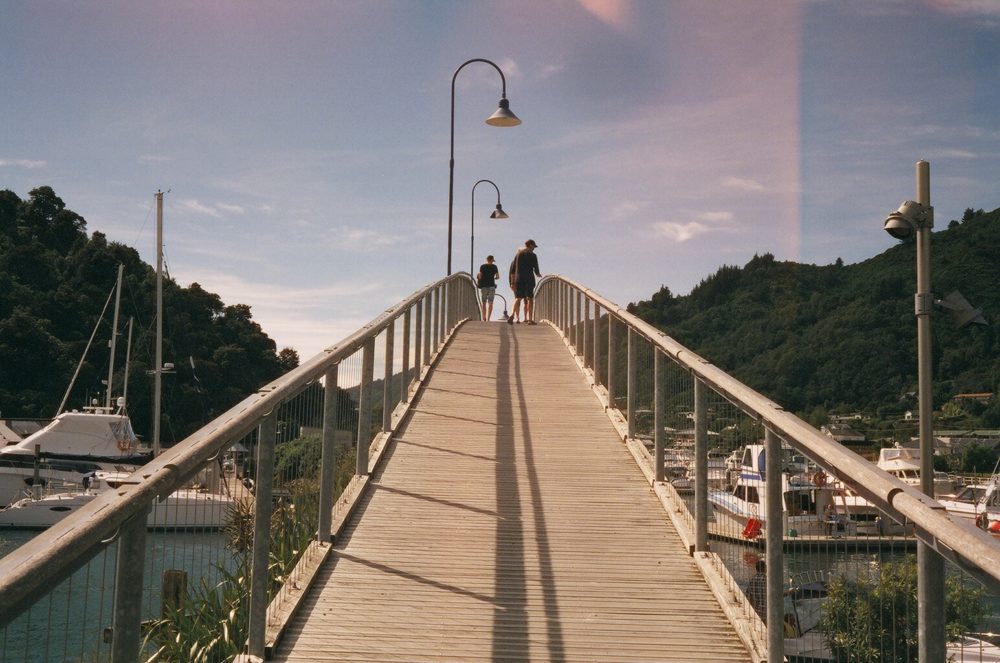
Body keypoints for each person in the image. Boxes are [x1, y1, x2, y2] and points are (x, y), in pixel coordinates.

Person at [508, 239, 542, 325]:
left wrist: (512, 282)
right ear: (530, 245)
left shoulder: (518, 255)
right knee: (530, 299)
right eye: (534, 246)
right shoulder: (533, 255)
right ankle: (530, 319)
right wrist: (538, 274)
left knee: (518, 298)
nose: (534, 248)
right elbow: (536, 269)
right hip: (529, 279)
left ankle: (512, 314)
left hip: (518, 279)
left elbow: (512, 270)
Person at [476, 255, 500, 321]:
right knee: (490, 302)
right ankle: (489, 318)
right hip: (491, 286)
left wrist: (479, 277)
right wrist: (494, 278)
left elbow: (480, 276)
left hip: (484, 286)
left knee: (484, 302)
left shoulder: (482, 266)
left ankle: (484, 317)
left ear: (487, 259)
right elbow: (497, 277)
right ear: (492, 260)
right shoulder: (494, 267)